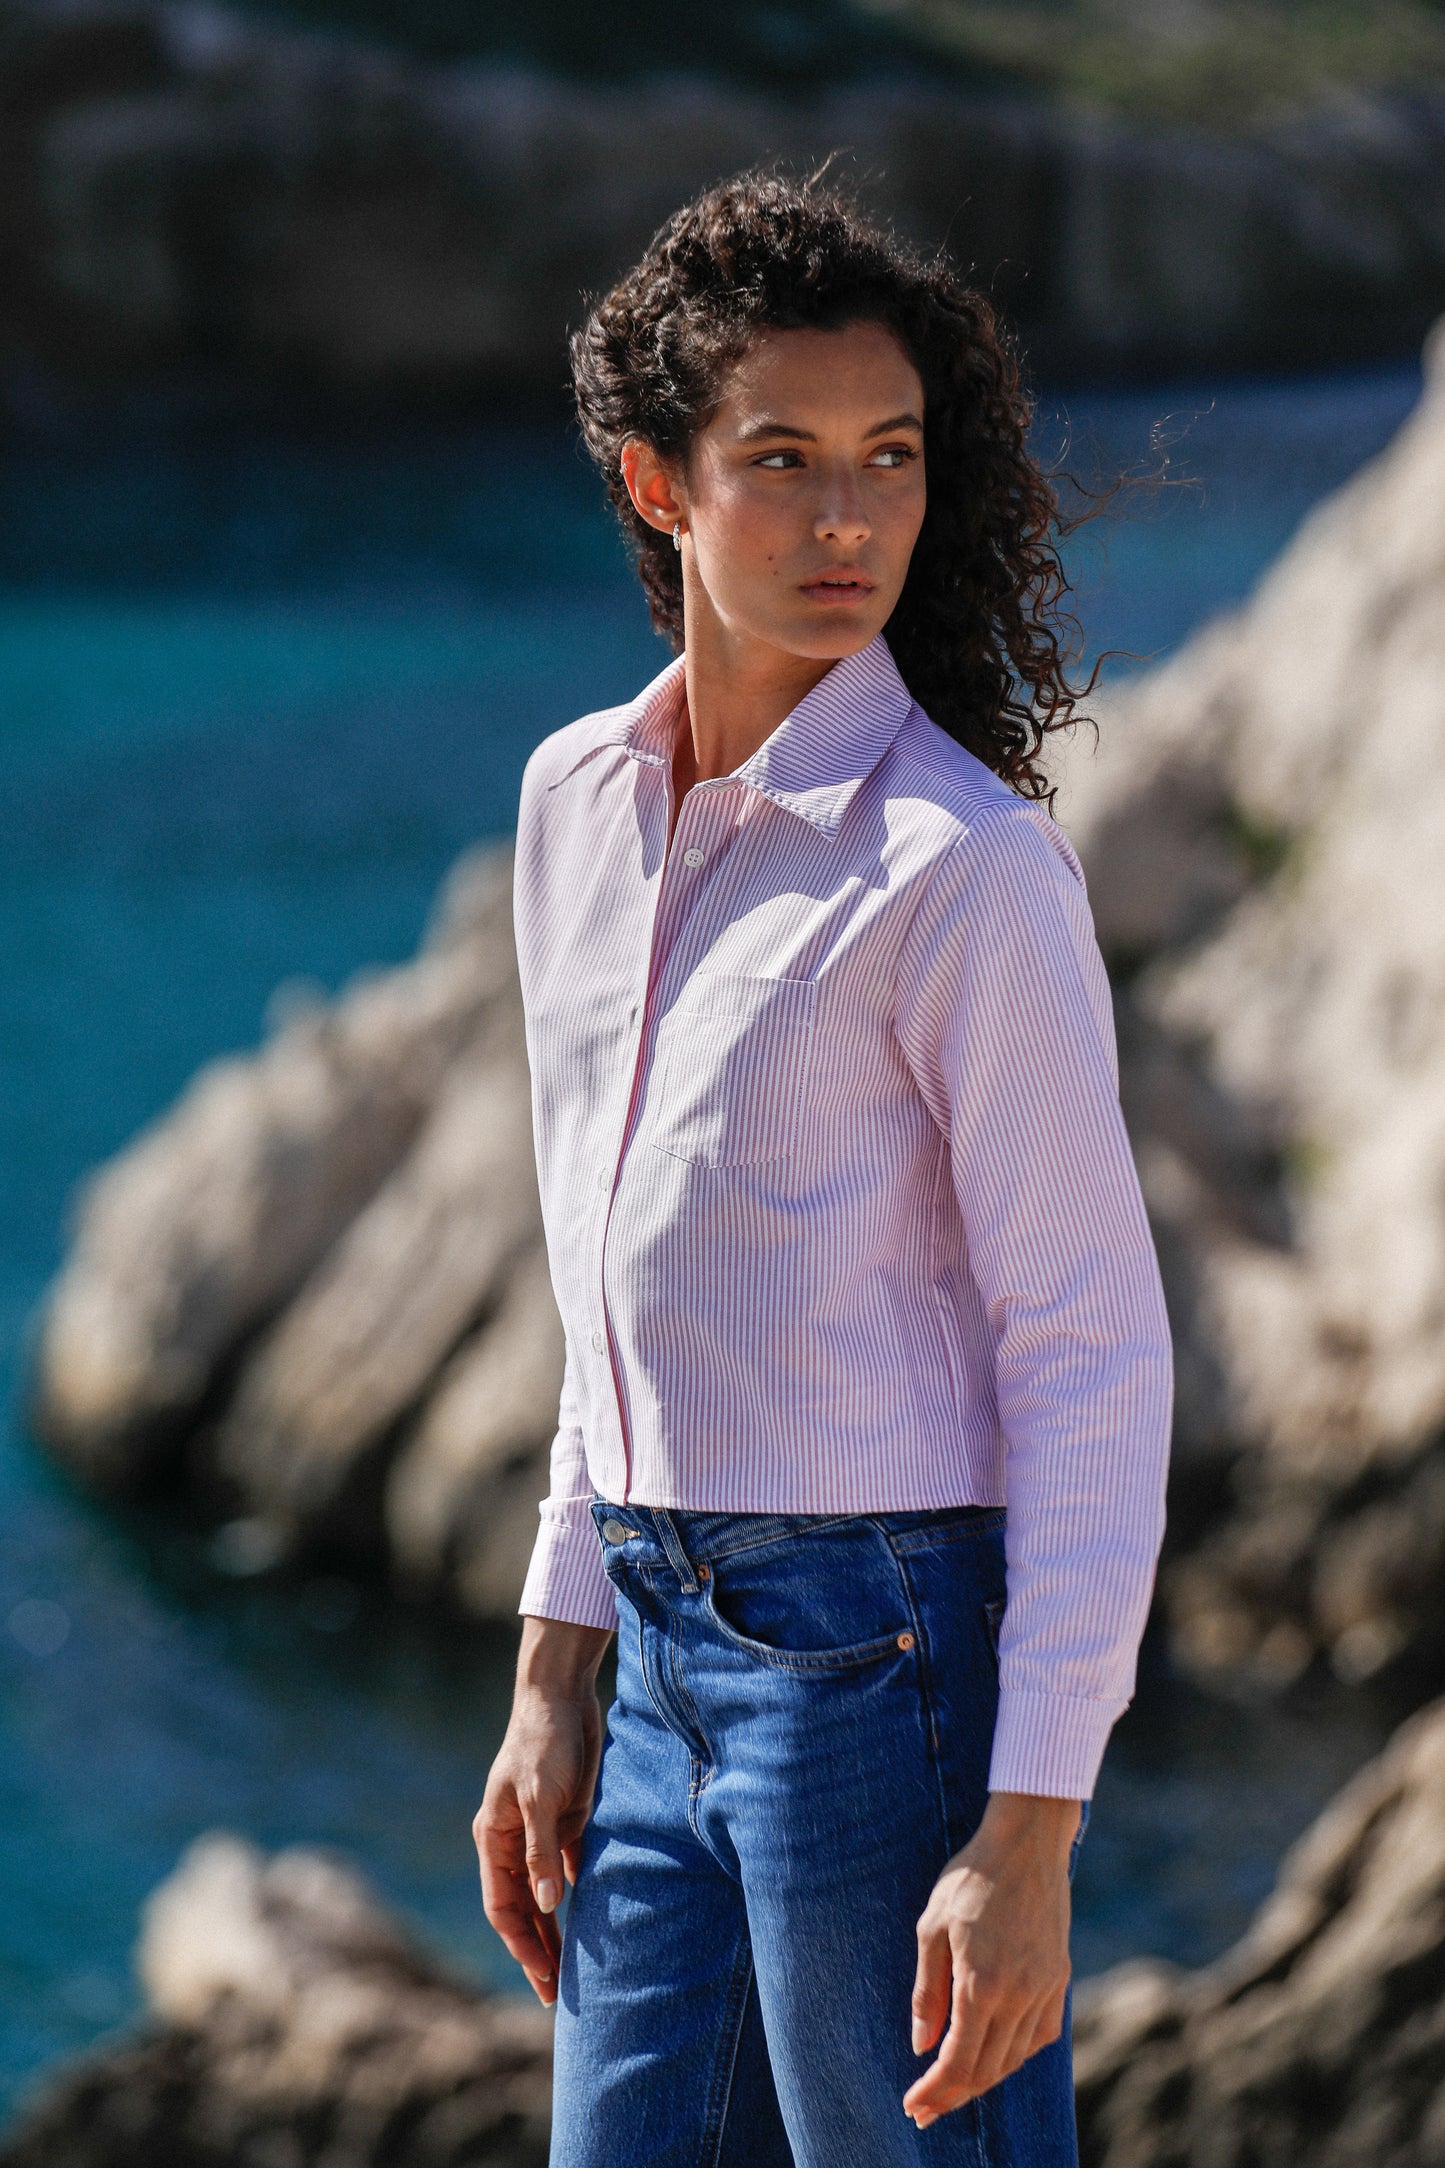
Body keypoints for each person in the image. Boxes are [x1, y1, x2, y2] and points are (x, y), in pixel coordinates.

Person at [474, 167, 1172, 2168]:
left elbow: (1096, 1359)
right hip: (653, 1652)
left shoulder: (963, 873)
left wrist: (1032, 1829)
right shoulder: (572, 808)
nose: (849, 514)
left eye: (890, 457)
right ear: (657, 482)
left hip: (883, 1672)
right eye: (781, 459)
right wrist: (554, 1670)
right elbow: (609, 1277)